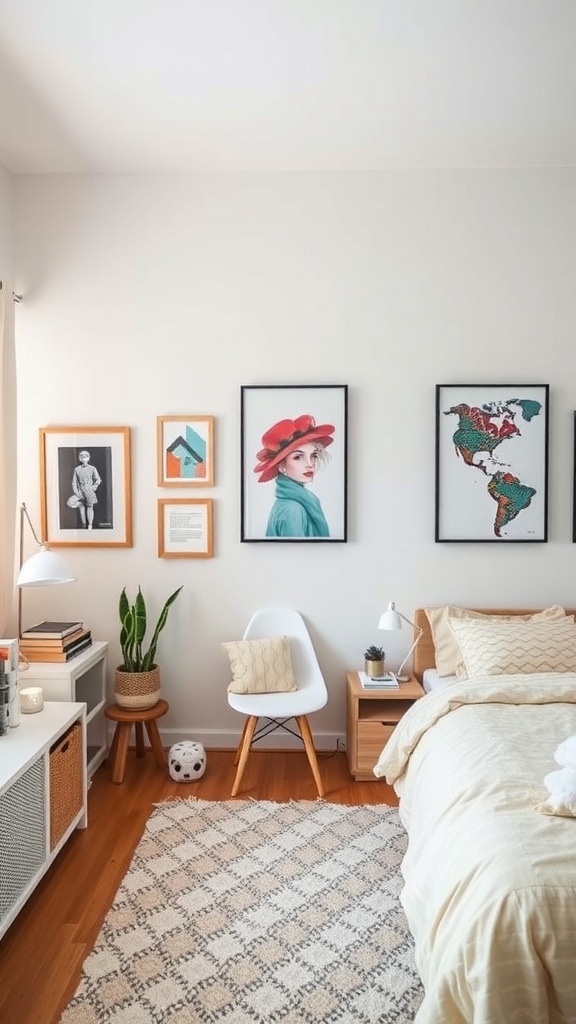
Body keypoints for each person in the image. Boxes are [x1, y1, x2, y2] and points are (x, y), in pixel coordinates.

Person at [253, 415, 335, 537]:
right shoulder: (292, 509)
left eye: (313, 456)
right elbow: (295, 554)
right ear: (281, 466)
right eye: (298, 457)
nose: (310, 464)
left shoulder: (297, 502)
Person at [68, 450, 101, 529]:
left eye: (86, 457)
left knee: (90, 507)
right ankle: (83, 523)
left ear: (88, 458)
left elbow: (98, 480)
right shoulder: (77, 469)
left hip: (89, 491)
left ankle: (90, 525)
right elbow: (74, 482)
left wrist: (93, 487)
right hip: (80, 491)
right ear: (80, 459)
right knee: (70, 503)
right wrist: (76, 491)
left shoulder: (92, 468)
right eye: (82, 457)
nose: (84, 458)